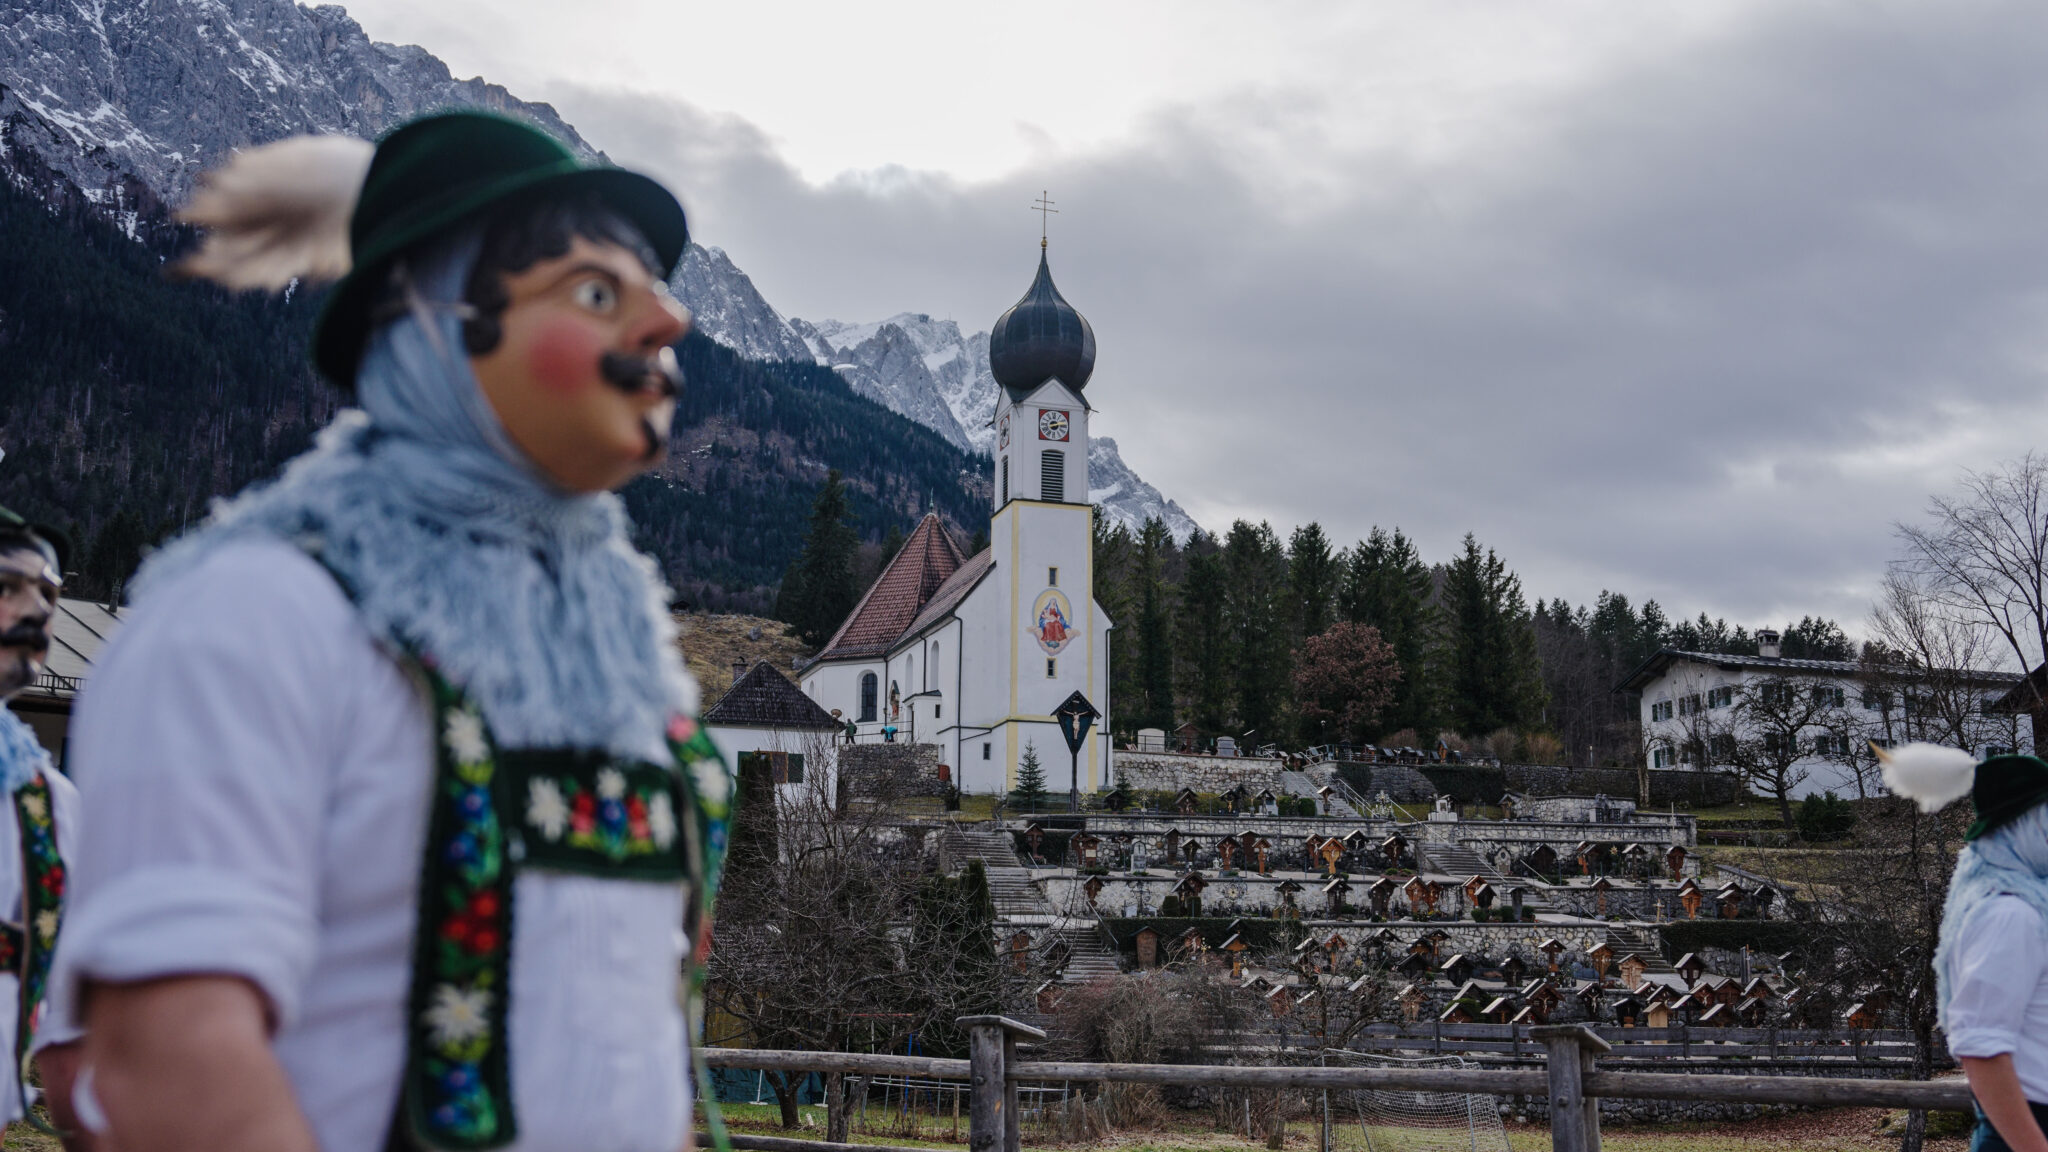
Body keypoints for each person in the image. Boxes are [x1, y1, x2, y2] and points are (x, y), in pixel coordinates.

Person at [57, 113, 732, 1152]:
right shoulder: (254, 619)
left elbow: (625, 1036)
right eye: (596, 293)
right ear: (434, 326)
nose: (668, 324)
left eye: (652, 290)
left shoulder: (626, 662)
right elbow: (170, 1062)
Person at [1886, 743, 2048, 1152]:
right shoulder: (2010, 914)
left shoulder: (2028, 905)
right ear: (2026, 827)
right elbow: (1982, 1048)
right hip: (2027, 1131)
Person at [0, 510, 88, 1146]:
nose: (35, 608)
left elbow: (68, 987)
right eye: (9, 586)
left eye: (49, 593)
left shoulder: (47, 800)